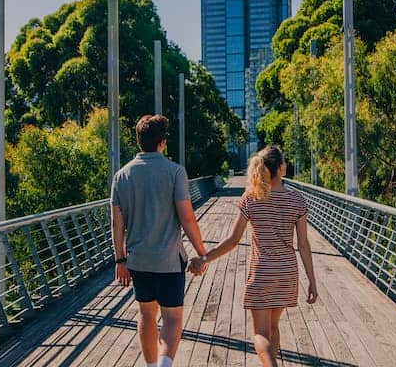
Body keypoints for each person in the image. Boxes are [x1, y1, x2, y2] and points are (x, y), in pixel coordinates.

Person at [189, 146, 318, 367]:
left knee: (260, 333)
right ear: (280, 168)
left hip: (262, 273)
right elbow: (303, 245)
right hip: (287, 273)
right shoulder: (296, 199)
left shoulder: (252, 198)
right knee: (273, 327)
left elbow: (233, 239)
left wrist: (204, 258)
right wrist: (312, 281)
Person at [110, 115, 208, 367]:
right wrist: (201, 252)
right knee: (172, 318)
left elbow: (116, 224)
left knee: (145, 314)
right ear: (162, 142)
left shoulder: (121, 176)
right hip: (168, 260)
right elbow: (186, 217)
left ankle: (152, 366)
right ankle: (164, 365)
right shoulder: (174, 172)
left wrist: (120, 260)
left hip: (138, 260)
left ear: (139, 141)